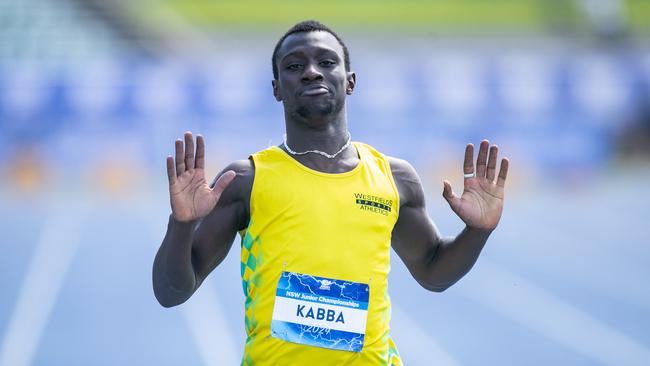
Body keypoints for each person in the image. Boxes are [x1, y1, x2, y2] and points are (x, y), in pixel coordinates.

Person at [153, 20, 509, 366]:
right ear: (276, 87)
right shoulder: (245, 180)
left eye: (326, 62)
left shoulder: (395, 178)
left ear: (350, 81)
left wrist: (478, 231)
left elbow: (433, 272)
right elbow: (172, 293)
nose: (311, 72)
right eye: (294, 66)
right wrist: (181, 225)